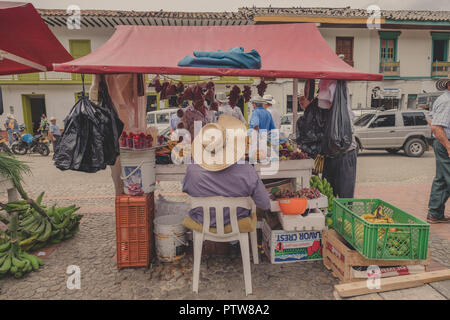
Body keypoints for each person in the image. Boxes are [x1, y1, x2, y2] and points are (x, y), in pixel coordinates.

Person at [182, 114, 271, 256]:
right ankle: (234, 245)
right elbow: (265, 204)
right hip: (237, 222)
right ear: (230, 144)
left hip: (203, 221)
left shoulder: (192, 170)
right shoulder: (246, 169)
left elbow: (185, 188)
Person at [426, 76, 450, 224]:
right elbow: (436, 126)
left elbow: (429, 118)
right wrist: (448, 146)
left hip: (443, 142)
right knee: (446, 178)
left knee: (442, 179)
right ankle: (434, 213)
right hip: (445, 143)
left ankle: (435, 213)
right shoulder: (447, 102)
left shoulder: (443, 100)